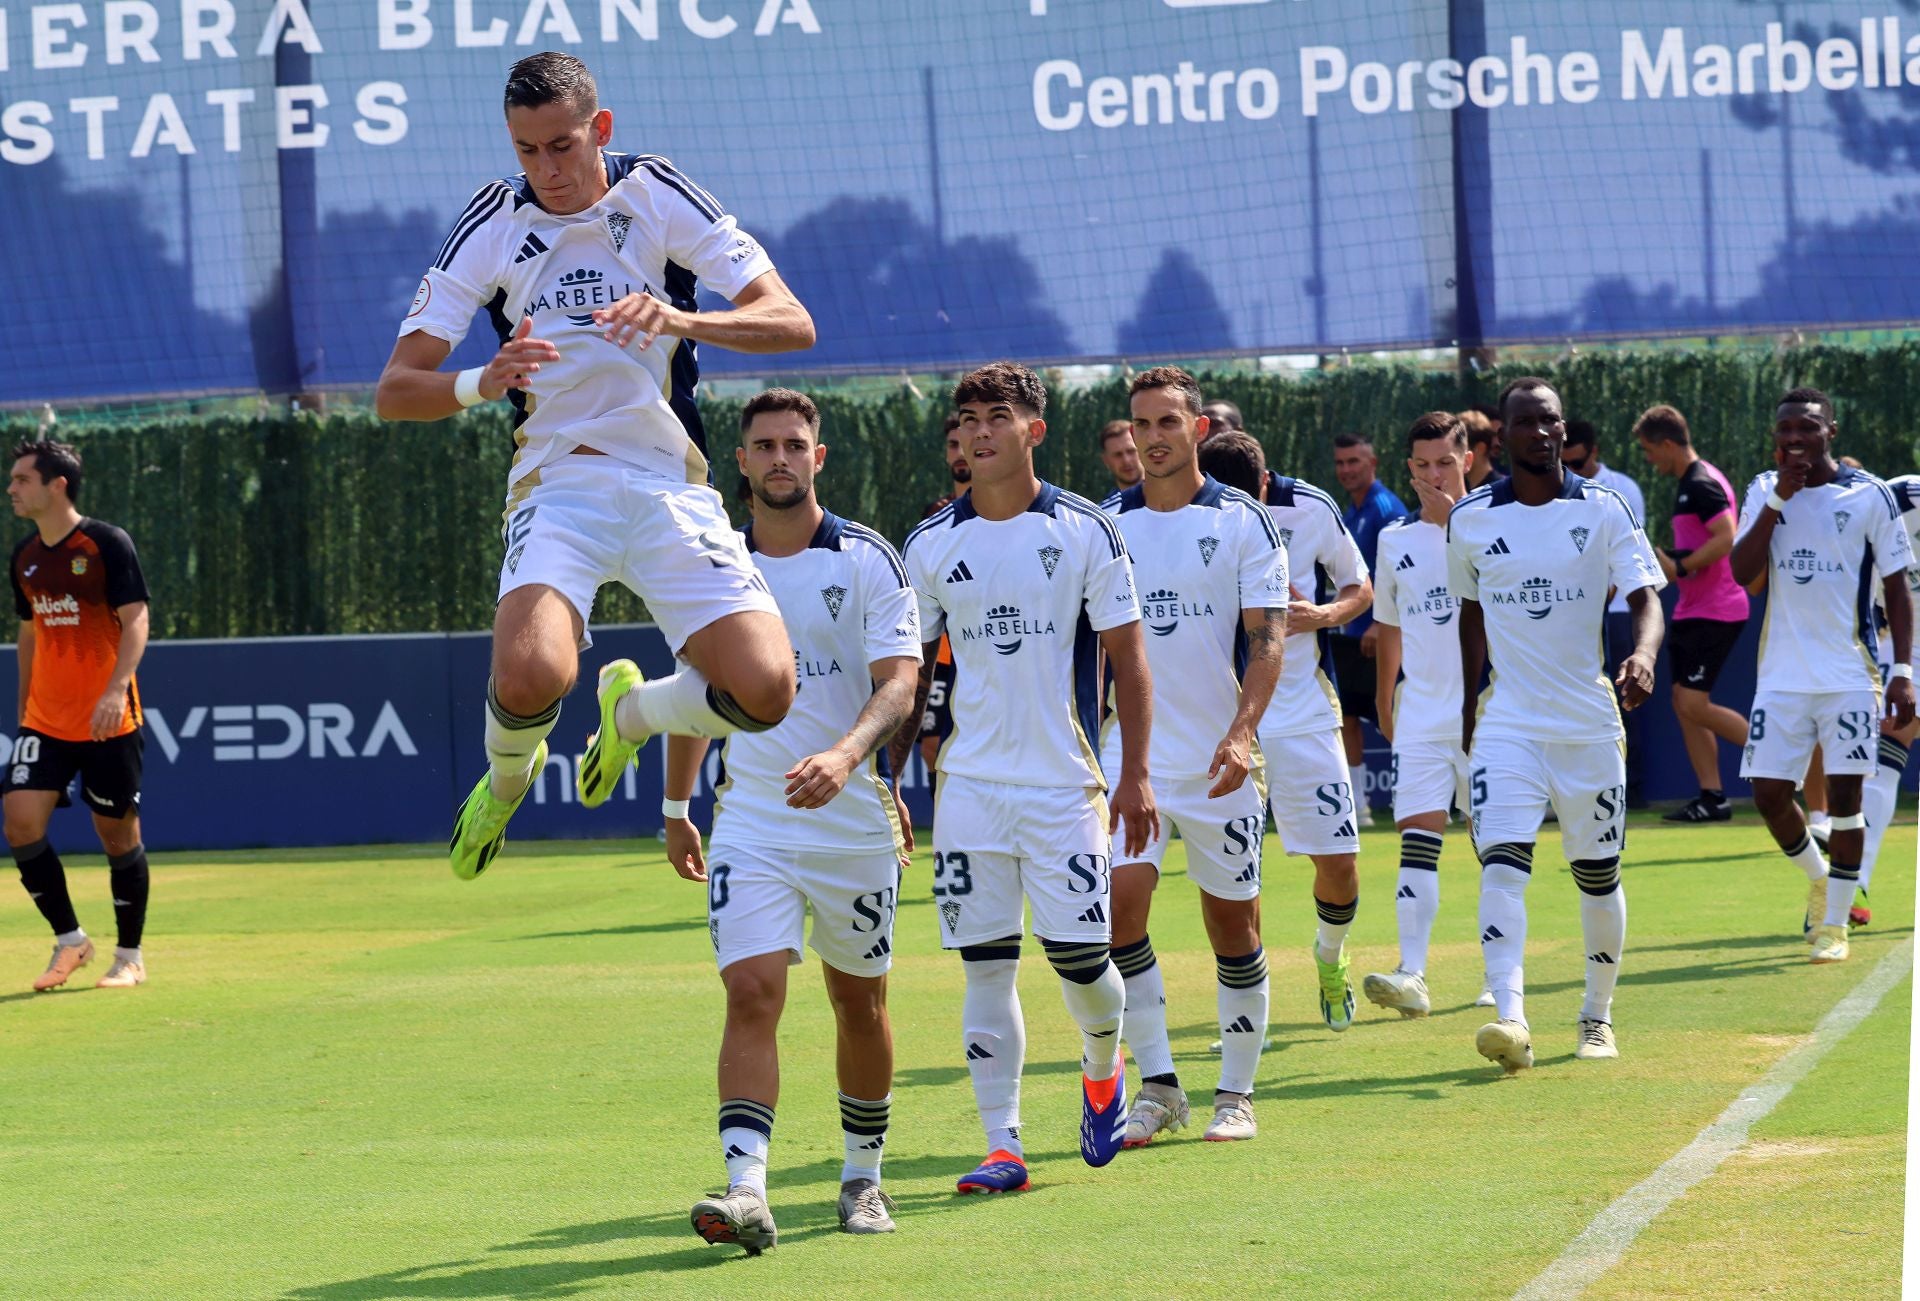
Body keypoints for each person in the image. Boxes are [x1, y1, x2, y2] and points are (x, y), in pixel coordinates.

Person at [374, 52, 815, 879]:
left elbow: (792, 322)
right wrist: (480, 379)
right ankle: (506, 785)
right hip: (560, 484)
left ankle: (634, 711)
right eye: (526, 150)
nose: (547, 169)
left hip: (668, 483)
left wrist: (682, 318)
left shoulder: (657, 193)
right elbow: (396, 390)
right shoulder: (495, 223)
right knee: (535, 671)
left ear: (599, 130)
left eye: (563, 146)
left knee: (766, 692)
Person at [662, 390, 921, 1253]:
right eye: (764, 444)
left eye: (795, 444)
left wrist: (848, 757)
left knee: (859, 1004)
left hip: (851, 824)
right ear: (739, 461)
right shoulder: (710, 564)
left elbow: (899, 682)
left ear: (820, 457)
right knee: (752, 990)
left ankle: (863, 1177)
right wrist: (677, 805)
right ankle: (747, 1191)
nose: (780, 456)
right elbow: (696, 695)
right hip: (753, 824)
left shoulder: (869, 559)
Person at [891, 362, 1156, 1193]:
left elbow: (1129, 662)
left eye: (995, 417)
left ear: (1033, 430)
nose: (977, 431)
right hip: (968, 788)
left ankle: (1102, 1068)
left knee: (1083, 964)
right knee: (985, 965)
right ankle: (1003, 1143)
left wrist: (1135, 773)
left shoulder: (1084, 529)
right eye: (966, 418)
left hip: (1063, 784)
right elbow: (907, 678)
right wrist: (888, 780)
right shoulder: (931, 543)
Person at [1448, 377, 1665, 1073]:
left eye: (1552, 420)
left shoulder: (1605, 509)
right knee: (1502, 867)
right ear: (1499, 438)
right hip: (1509, 721)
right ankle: (1510, 1016)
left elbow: (1645, 597)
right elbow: (1470, 612)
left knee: (1597, 875)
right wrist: (1464, 705)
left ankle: (1596, 1015)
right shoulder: (1471, 519)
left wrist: (1642, 652)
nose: (1542, 432)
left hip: (1588, 723)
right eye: (1527, 422)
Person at [1096, 368, 1288, 1148]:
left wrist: (1242, 733)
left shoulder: (1244, 519)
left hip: (1220, 763)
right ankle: (1160, 1084)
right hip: (1131, 756)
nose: (1152, 436)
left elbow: (1268, 637)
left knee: (1231, 927)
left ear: (1198, 427)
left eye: (1167, 421)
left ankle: (1236, 1091)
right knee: (1114, 912)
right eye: (1140, 424)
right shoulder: (1107, 524)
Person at [1729, 388, 1915, 964]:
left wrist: (1902, 670)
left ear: (1830, 431)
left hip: (1849, 676)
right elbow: (1741, 571)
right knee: (1767, 796)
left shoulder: (1870, 496)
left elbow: (1896, 587)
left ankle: (1834, 925)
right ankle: (1818, 876)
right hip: (1781, 678)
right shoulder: (1764, 488)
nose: (1793, 440)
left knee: (1845, 801)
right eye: (1785, 431)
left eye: (1806, 429)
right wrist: (1778, 502)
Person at [1198, 431, 1373, 1033]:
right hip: (1221, 718)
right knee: (1238, 872)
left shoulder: (1311, 507)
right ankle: (1253, 1003)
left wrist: (1321, 616)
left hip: (1300, 710)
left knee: (1341, 861)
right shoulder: (1186, 517)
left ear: (1267, 484)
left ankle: (1329, 956)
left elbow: (1360, 587)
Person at [4, 440, 152, 992]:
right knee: (19, 822)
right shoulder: (24, 557)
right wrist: (24, 709)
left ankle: (130, 956)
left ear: (56, 484)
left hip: (107, 719)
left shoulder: (107, 543)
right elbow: (28, 634)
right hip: (46, 719)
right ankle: (71, 941)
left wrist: (116, 690)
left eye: (21, 479)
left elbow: (136, 620)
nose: (12, 488)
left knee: (117, 836)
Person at [1363, 413, 1484, 1018]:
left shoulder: (1493, 522)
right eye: (1422, 464)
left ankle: (1497, 980)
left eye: (1445, 462)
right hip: (1422, 715)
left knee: (1495, 848)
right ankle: (1412, 973)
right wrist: (1386, 698)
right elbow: (1388, 623)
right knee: (1417, 840)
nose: (1433, 475)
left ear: (1467, 459)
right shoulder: (1394, 538)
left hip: (1489, 716)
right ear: (1407, 468)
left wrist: (1456, 526)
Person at [1633, 406, 1750, 823]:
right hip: (1692, 609)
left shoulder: (1701, 482)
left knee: (1692, 703)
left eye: (1650, 450)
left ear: (1668, 444)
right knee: (1685, 706)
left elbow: (1726, 537)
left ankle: (1782, 760)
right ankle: (1712, 797)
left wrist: (1679, 566)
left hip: (1716, 610)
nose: (1649, 459)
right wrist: (1674, 560)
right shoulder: (1690, 483)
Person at [1564, 420, 1651, 805]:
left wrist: (1596, 596)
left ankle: (1629, 788)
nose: (1572, 472)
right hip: (1575, 614)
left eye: (1579, 462)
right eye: (1565, 464)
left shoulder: (1623, 489)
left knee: (1624, 698)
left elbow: (1628, 563)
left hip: (1615, 612)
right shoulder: (1556, 491)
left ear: (1594, 453)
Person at [1331, 432, 1410, 823]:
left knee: (1395, 712)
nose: (1346, 470)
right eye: (1341, 463)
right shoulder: (1350, 512)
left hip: (1386, 633)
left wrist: (1381, 624)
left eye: (1354, 462)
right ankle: (1358, 805)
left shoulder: (1385, 507)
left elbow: (1399, 570)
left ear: (1372, 463)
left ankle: (1416, 795)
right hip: (1353, 635)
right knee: (1347, 717)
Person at [1855, 473, 1920, 924]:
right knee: (1883, 756)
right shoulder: (1887, 501)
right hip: (1905, 645)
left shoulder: (1905, 495)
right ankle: (1850, 886)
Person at [1459, 408, 1505, 491]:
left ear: (1480, 448)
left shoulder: (1501, 492)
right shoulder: (1460, 491)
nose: (1455, 455)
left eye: (1460, 448)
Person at [1100, 419, 1143, 490]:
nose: (1126, 460)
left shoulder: (1167, 496)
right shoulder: (1109, 501)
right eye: (1118, 455)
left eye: (1131, 451)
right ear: (1106, 460)